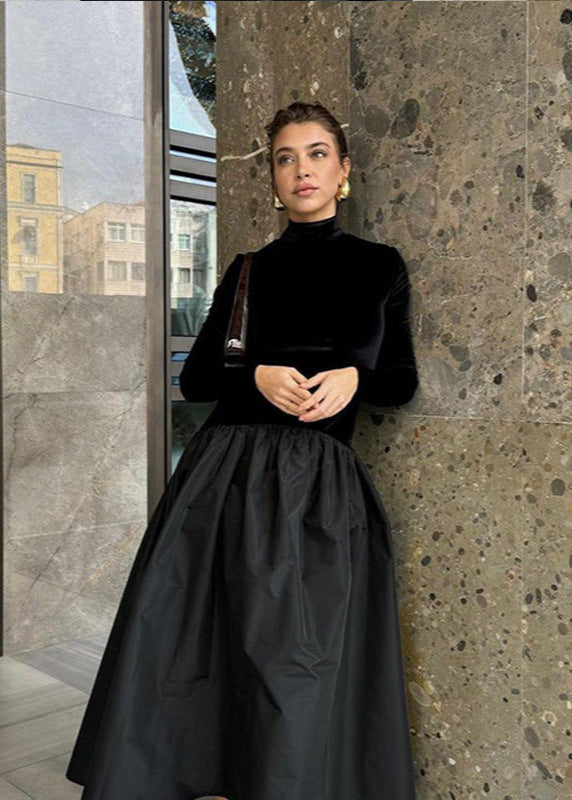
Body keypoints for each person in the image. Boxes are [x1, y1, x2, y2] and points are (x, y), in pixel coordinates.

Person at [65, 100, 419, 800]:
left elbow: (401, 384)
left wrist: (355, 377)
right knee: (203, 652)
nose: (301, 170)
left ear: (344, 170)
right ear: (275, 180)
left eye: (317, 154)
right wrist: (255, 373)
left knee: (294, 664)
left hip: (317, 492)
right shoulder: (250, 269)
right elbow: (197, 376)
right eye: (286, 158)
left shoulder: (380, 266)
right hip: (224, 482)